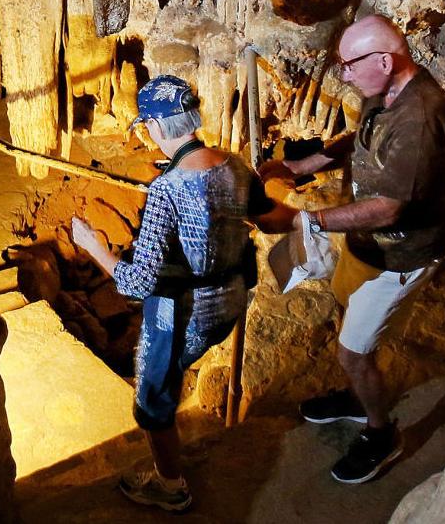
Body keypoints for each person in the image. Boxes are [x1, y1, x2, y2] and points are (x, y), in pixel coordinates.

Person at [71, 75, 294, 513]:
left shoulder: (167, 191)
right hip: (230, 300)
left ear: (155, 127)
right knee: (172, 373)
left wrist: (94, 246)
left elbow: (137, 283)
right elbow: (267, 216)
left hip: (182, 313)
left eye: (146, 127)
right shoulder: (235, 166)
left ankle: (170, 485)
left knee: (152, 399)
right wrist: (312, 221)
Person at [259, 14, 445, 484]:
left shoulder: (422, 118)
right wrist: (302, 165)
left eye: (350, 66)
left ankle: (381, 432)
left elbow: (389, 209)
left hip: (401, 256)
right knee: (347, 307)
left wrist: (308, 219)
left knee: (352, 353)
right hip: (366, 246)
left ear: (385, 61)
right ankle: (356, 397)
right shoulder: (383, 90)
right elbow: (362, 139)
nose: (345, 76)